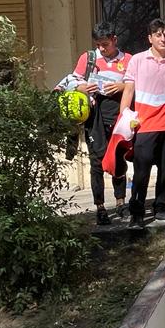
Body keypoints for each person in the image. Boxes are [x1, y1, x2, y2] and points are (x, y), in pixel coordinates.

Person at [119, 18, 165, 228]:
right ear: (150, 38)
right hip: (145, 125)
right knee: (141, 172)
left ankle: (162, 208)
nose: (163, 39)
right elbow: (128, 91)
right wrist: (124, 117)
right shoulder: (137, 60)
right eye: (158, 35)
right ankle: (137, 213)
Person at [67, 21, 131, 226]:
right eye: (98, 44)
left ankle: (121, 203)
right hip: (94, 118)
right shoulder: (88, 58)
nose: (102, 48)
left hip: (118, 116)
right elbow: (73, 81)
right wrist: (82, 87)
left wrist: (121, 86)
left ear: (114, 39)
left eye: (105, 44)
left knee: (118, 159)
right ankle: (100, 207)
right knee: (96, 162)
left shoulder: (128, 60)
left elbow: (135, 84)